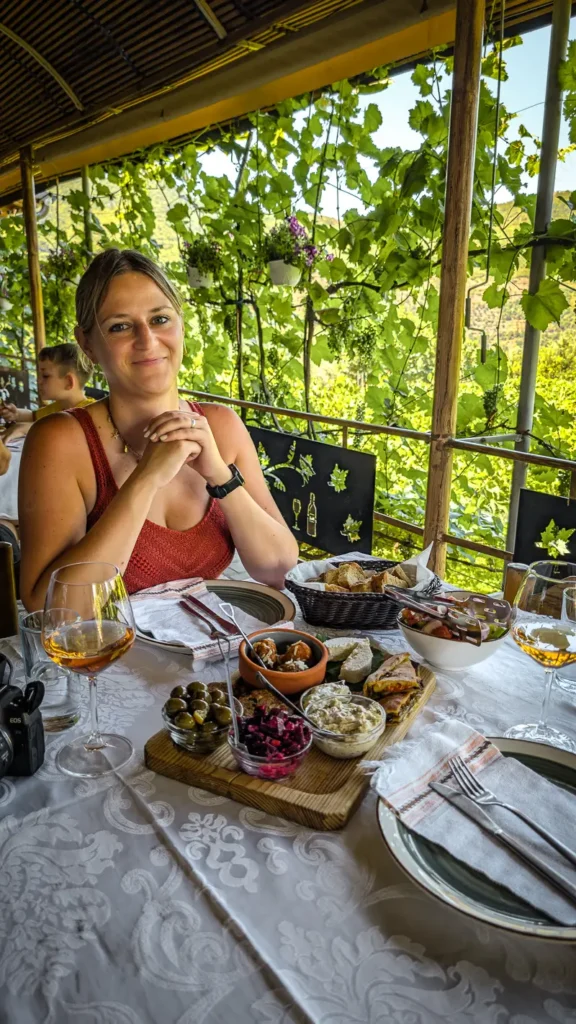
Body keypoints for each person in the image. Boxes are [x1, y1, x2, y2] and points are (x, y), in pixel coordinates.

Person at [19, 249, 299, 609]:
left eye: (160, 319)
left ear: (181, 323)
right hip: (111, 661)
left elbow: (279, 568)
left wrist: (219, 475)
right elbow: (50, 608)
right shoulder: (61, 442)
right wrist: (146, 479)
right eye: (120, 326)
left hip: (217, 656)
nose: (147, 341)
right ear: (87, 342)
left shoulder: (222, 427)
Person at [0, 342, 94, 424]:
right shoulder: (57, 408)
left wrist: (27, 429)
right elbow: (32, 417)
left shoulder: (91, 412)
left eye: (45, 376)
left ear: (68, 382)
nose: (38, 381)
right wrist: (17, 414)